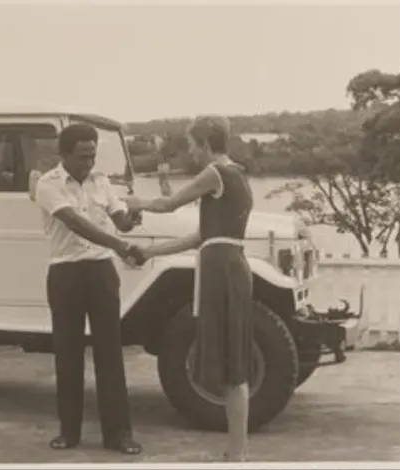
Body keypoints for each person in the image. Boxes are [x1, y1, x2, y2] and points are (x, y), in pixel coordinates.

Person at [122, 115, 254, 462]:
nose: (192, 152)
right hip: (230, 264)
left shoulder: (215, 173)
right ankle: (236, 451)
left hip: (221, 271)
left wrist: (135, 204)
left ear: (208, 144)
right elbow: (201, 236)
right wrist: (150, 252)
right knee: (233, 363)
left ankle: (237, 455)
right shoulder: (238, 174)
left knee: (231, 365)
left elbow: (169, 204)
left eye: (194, 144)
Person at [33, 123, 145, 455]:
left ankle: (119, 435)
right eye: (82, 156)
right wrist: (121, 245)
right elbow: (76, 224)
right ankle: (69, 432)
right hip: (65, 273)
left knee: (110, 353)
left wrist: (132, 217)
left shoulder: (102, 183)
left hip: (101, 272)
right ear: (64, 154)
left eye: (93, 155)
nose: (89, 163)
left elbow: (120, 219)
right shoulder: (47, 184)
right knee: (68, 355)